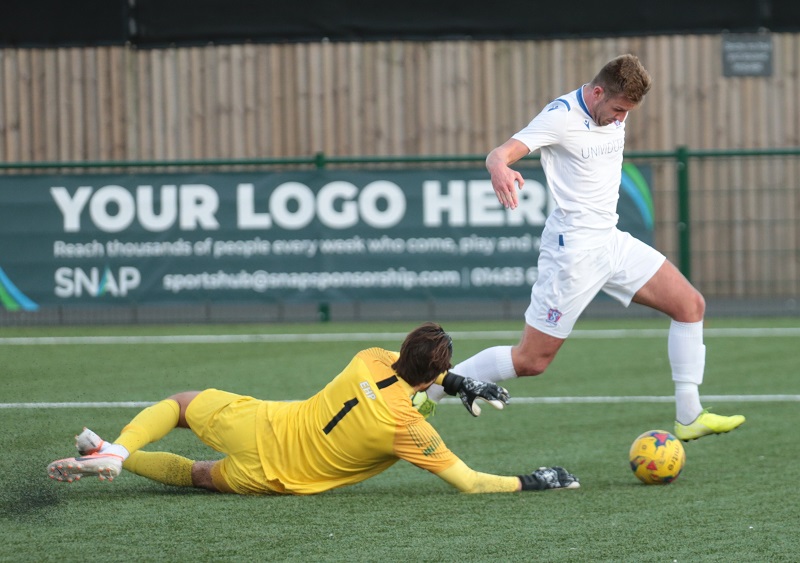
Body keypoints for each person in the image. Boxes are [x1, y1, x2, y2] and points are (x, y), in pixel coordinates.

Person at [426, 54, 744, 442]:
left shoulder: (615, 109)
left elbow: (620, 103)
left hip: (611, 241)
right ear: (596, 92)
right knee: (531, 361)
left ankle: (689, 415)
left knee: (690, 305)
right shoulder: (560, 116)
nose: (620, 118)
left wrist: (619, 110)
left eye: (627, 112)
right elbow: (499, 154)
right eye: (617, 109)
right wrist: (499, 167)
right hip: (572, 253)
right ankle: (430, 394)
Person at [47, 322, 579, 494]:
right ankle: (113, 459)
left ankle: (113, 450)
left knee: (181, 405)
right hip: (277, 473)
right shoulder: (409, 428)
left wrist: (455, 379)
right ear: (429, 377)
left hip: (266, 420)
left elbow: (411, 368)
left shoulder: (367, 359)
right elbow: (468, 482)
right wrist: (534, 480)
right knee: (199, 475)